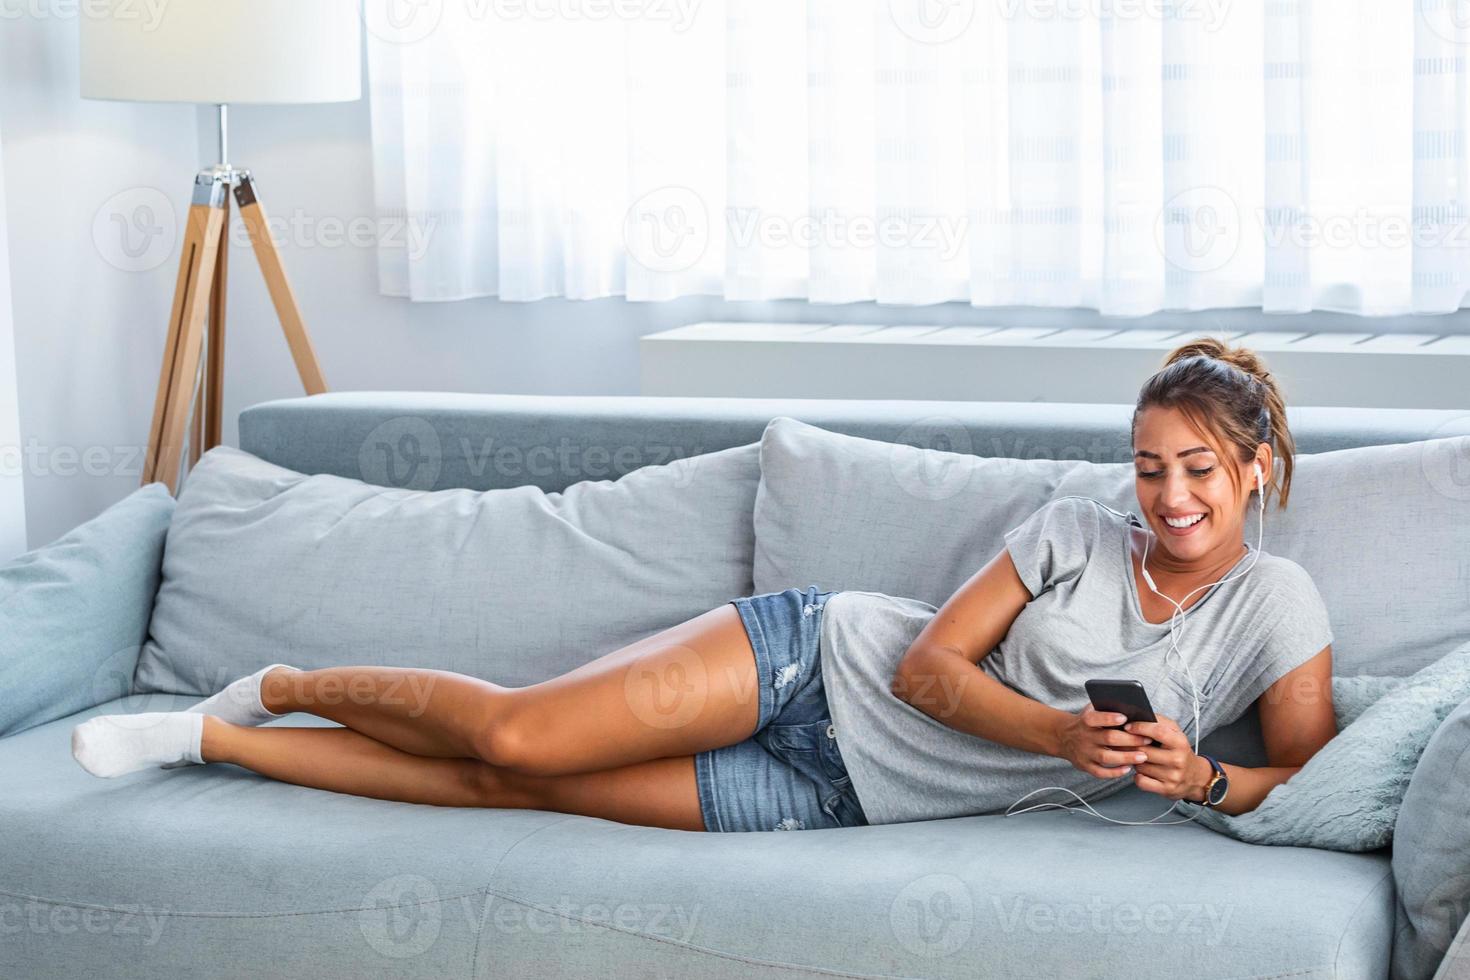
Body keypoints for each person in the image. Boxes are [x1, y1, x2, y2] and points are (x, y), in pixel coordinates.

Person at [71, 336, 1336, 834]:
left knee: (498, 783)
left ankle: (210, 735)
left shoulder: (1276, 612)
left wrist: (1202, 776)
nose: (1169, 498)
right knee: (520, 726)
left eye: (1202, 473)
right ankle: (284, 679)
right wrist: (1062, 733)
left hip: (838, 794)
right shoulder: (1075, 524)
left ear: (1256, 468)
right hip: (816, 658)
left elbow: (1308, 786)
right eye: (1151, 466)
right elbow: (925, 667)